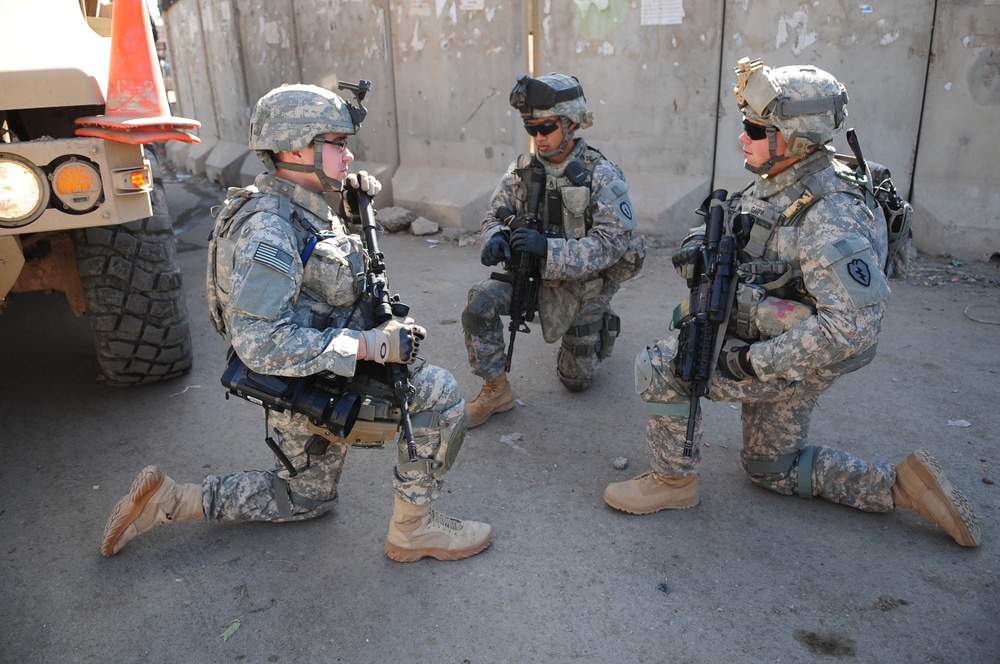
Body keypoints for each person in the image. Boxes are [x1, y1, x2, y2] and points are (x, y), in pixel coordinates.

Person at [102, 83, 492, 562]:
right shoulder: (269, 228)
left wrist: (348, 211)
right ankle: (414, 530)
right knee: (440, 394)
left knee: (306, 498)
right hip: (309, 382)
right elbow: (259, 342)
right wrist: (368, 346)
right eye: (338, 144)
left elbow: (315, 275)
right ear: (294, 147)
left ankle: (172, 500)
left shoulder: (299, 205)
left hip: (307, 379)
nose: (348, 157)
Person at [603, 58, 980, 548]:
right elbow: (745, 222)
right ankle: (900, 486)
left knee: (662, 365)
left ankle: (673, 482)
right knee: (771, 469)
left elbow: (852, 328)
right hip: (782, 333)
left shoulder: (830, 214)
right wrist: (698, 246)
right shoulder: (784, 176)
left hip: (798, 353)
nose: (743, 137)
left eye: (755, 129)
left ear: (795, 138)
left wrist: (750, 362)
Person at [463, 72, 645, 428]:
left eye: (546, 127)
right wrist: (494, 237)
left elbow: (612, 244)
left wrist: (549, 249)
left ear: (571, 122)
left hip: (581, 285)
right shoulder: (522, 170)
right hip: (529, 278)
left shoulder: (600, 173)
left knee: (576, 380)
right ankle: (495, 389)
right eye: (532, 129)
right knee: (479, 304)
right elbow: (492, 215)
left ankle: (598, 324)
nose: (539, 138)